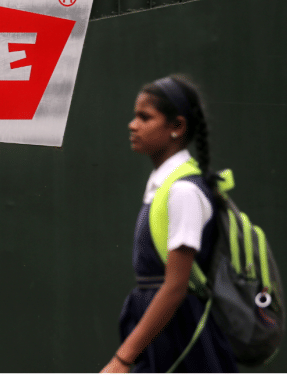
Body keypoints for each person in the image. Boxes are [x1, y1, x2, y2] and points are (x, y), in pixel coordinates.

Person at [100, 75, 237, 373]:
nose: (132, 125)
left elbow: (175, 287)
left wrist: (121, 360)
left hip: (182, 337)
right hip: (163, 334)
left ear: (177, 127)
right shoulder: (164, 186)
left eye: (144, 117)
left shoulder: (184, 191)